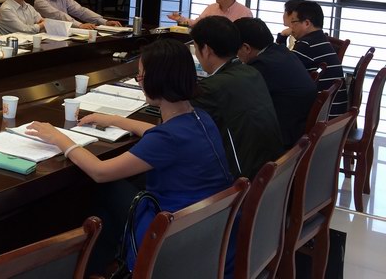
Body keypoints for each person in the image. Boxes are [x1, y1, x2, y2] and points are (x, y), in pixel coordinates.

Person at [26, 39, 233, 275]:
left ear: (157, 80)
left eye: (141, 76)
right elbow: (158, 134)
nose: (139, 81)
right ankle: (101, 266)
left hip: (171, 233)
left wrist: (59, 138)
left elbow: (100, 171)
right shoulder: (200, 117)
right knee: (111, 205)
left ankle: (86, 266)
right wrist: (115, 120)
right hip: (206, 225)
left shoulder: (166, 139)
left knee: (103, 189)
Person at [190, 16, 283, 179]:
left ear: (206, 50)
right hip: (271, 170)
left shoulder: (211, 88)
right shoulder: (251, 72)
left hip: (240, 181)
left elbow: (184, 131)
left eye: (196, 48)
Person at [234, 17, 316, 147]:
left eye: (236, 50)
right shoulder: (281, 51)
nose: (236, 56)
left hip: (283, 137)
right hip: (298, 127)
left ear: (246, 48)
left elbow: (239, 99)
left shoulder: (262, 65)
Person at [278, 0, 347, 118]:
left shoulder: (306, 44)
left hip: (322, 117)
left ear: (306, 23)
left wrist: (281, 38)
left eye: (293, 22)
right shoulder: (320, 40)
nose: (291, 26)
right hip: (333, 114)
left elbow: (282, 70)